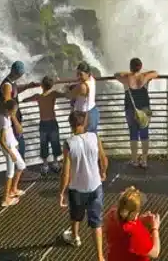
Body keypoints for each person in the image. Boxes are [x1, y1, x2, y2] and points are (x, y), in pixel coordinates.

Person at [59, 109, 108, 257]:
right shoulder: (94, 137)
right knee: (96, 222)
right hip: (95, 186)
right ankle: (100, 256)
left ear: (71, 125)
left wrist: (61, 192)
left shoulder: (68, 144)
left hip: (77, 188)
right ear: (84, 122)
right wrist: (103, 172)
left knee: (75, 215)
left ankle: (75, 238)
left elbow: (66, 173)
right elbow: (104, 159)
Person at [115, 58, 158, 168]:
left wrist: (129, 73)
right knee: (144, 134)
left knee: (133, 133)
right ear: (141, 66)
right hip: (144, 109)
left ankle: (134, 160)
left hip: (130, 109)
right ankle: (144, 160)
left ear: (130, 67)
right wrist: (143, 73)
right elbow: (155, 73)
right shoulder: (144, 77)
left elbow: (116, 74)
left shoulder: (126, 78)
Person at [103, 186, 162, 260]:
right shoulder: (136, 233)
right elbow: (155, 252)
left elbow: (123, 224)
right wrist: (155, 228)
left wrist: (139, 220)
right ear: (136, 213)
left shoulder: (111, 215)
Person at [22, 75, 65, 174]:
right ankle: (55, 162)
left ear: (41, 86)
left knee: (44, 143)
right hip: (53, 122)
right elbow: (64, 95)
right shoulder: (53, 94)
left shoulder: (38, 96)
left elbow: (25, 100)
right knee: (55, 142)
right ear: (51, 85)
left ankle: (45, 165)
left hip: (43, 123)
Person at [0, 61, 39, 163]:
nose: (20, 76)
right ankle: (21, 171)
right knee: (19, 145)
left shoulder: (11, 82)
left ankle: (21, 171)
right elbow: (8, 105)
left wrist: (27, 86)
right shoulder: (7, 85)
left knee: (20, 144)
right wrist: (16, 123)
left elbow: (15, 91)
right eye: (19, 74)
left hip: (14, 119)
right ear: (15, 72)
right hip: (12, 121)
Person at [0, 98, 27, 206]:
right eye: (15, 110)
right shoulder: (4, 120)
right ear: (10, 110)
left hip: (12, 146)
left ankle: (13, 190)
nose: (16, 112)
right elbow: (1, 141)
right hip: (9, 148)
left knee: (21, 166)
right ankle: (5, 199)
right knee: (10, 173)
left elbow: (19, 130)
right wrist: (11, 153)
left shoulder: (8, 116)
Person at [66, 61, 100, 133]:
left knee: (83, 139)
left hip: (84, 116)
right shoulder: (92, 79)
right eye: (77, 74)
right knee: (92, 138)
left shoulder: (82, 86)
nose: (78, 76)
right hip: (93, 111)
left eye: (80, 74)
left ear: (87, 74)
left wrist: (67, 88)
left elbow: (68, 95)